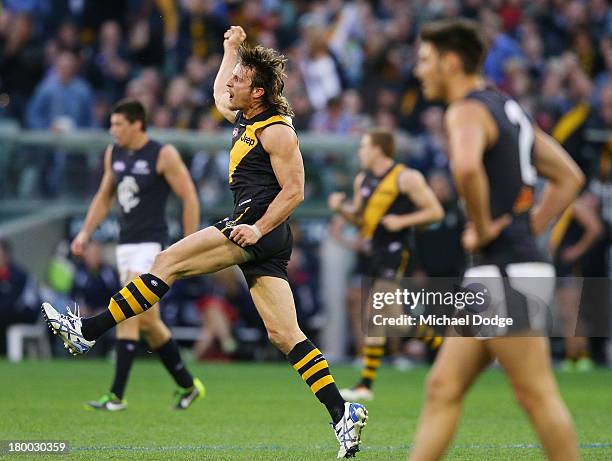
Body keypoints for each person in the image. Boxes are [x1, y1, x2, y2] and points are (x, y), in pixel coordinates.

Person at [43, 26, 368, 458]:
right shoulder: (246, 115)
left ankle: (87, 331)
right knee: (285, 333)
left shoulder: (277, 131)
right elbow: (218, 91)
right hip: (259, 232)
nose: (231, 80)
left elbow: (295, 192)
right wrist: (231, 50)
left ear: (258, 92)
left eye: (240, 77)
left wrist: (257, 228)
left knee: (166, 262)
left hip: (254, 224)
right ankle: (342, 412)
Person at [409, 19, 583, 461]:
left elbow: (466, 168)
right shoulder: (507, 108)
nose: (418, 70)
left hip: (504, 272)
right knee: (442, 387)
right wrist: (528, 227)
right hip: (503, 269)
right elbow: (568, 177)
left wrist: (485, 227)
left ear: (450, 62)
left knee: (537, 395)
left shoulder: (465, 110)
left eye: (425, 60)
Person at [68, 98, 204, 411]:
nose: (112, 130)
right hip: (125, 244)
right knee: (149, 322)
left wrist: (190, 242)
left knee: (124, 306)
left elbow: (189, 196)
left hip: (151, 246)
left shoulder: (162, 153)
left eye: (118, 125)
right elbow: (104, 197)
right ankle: (187, 386)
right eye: (112, 124)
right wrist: (86, 233)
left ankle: (116, 395)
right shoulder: (113, 154)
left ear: (137, 124)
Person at [328, 129, 444, 401]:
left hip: (396, 251)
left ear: (379, 149)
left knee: (376, 314)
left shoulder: (406, 177)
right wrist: (341, 210)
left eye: (364, 147)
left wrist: (402, 222)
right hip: (374, 253)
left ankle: (365, 384)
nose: (361, 152)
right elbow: (361, 220)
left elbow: (435, 211)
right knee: (393, 319)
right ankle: (443, 346)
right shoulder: (362, 180)